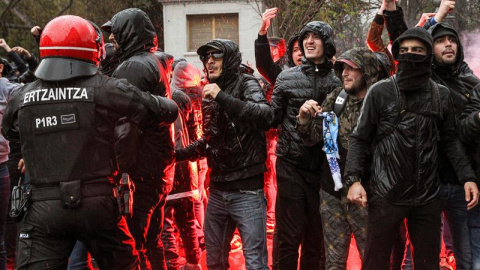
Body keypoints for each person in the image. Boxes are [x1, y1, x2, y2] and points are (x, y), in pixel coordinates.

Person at [1, 15, 178, 270]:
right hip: (99, 204)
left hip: (42, 208)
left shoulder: (23, 96)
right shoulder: (105, 89)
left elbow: (10, 131)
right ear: (94, 50)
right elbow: (168, 110)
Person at [345, 27, 479, 270]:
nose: (410, 55)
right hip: (386, 193)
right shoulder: (380, 91)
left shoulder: (441, 95)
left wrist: (467, 176)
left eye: (417, 50)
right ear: (397, 54)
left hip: (427, 195)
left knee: (427, 264)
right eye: (404, 50)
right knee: (376, 261)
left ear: (427, 55)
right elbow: (360, 138)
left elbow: (450, 140)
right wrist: (354, 179)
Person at [176, 38, 272, 270]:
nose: (209, 62)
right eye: (206, 57)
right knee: (214, 261)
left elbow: (265, 115)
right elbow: (211, 141)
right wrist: (175, 155)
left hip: (247, 191)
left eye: (215, 56)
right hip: (218, 190)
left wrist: (222, 97)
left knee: (255, 264)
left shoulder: (245, 83)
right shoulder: (209, 92)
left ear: (228, 59)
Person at [102, 8, 176, 269]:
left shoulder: (133, 66)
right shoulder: (151, 60)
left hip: (140, 172)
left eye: (116, 34)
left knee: (132, 246)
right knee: (153, 240)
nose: (112, 40)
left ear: (129, 33)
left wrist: (119, 171)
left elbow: (124, 126)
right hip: (157, 168)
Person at [296, 47, 379, 270]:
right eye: (343, 68)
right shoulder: (337, 97)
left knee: (373, 259)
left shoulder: (381, 101)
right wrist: (304, 119)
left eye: (352, 68)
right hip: (332, 190)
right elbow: (313, 138)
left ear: (368, 72)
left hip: (367, 194)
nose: (344, 73)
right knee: (333, 262)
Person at [270, 21, 341, 270]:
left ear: (327, 42)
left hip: (325, 169)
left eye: (316, 37)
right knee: (288, 238)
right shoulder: (287, 77)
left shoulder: (340, 78)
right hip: (291, 164)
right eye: (305, 37)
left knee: (316, 238)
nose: (309, 42)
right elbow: (271, 117)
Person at [161, 61, 202, 270]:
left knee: (165, 223)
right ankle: (194, 262)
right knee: (188, 220)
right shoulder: (182, 98)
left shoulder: (155, 98)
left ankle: (174, 263)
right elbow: (196, 135)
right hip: (186, 170)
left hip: (165, 170)